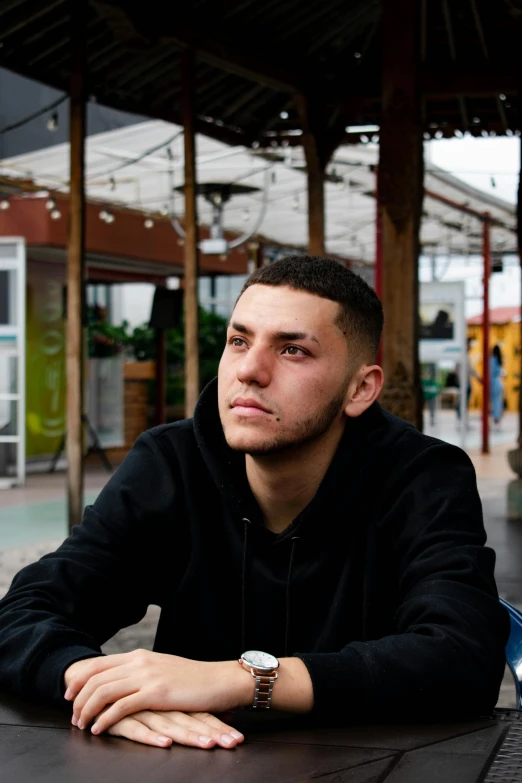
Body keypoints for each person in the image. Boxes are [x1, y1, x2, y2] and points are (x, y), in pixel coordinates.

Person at [0, 256, 508, 751]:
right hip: (191, 763)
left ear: (361, 389)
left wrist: (243, 681)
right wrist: (110, 690)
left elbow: (463, 655)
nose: (249, 370)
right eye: (239, 340)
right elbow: (22, 614)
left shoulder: (422, 476)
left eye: (293, 351)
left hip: (371, 762)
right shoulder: (171, 462)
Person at [490, 344, 506, 425]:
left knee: (494, 401)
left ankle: (496, 416)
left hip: (493, 382)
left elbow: (490, 373)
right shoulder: (499, 360)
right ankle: (497, 416)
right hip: (499, 382)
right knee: (498, 401)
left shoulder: (492, 360)